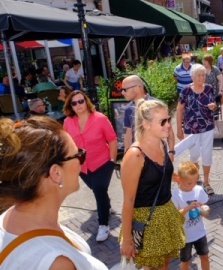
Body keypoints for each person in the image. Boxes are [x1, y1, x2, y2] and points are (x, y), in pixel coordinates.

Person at [0, 116, 108, 269]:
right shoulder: (57, 263)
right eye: (78, 155)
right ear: (56, 173)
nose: (81, 161)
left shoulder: (11, 219)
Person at [120, 99, 185, 269]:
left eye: (168, 119)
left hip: (165, 214)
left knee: (164, 265)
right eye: (162, 121)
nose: (168, 125)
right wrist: (127, 240)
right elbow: (128, 200)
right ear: (146, 125)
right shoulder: (135, 155)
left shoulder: (162, 144)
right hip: (147, 221)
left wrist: (177, 177)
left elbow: (156, 175)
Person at [63, 91, 118, 242]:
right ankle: (107, 206)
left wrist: (112, 161)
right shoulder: (68, 122)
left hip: (103, 162)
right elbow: (67, 143)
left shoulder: (100, 119)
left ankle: (103, 225)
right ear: (70, 106)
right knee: (97, 189)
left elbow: (112, 140)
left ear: (86, 101)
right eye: (74, 103)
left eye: (81, 101)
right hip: (82, 166)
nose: (78, 105)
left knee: (99, 190)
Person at [176, 64, 218, 196]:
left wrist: (214, 106)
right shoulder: (186, 91)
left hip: (207, 127)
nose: (202, 77)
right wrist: (179, 128)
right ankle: (195, 177)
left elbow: (214, 104)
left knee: (207, 153)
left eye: (204, 75)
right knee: (194, 155)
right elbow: (179, 110)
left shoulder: (209, 89)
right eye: (199, 75)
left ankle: (206, 182)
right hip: (191, 128)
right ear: (193, 76)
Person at [121, 75, 175, 155]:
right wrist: (127, 153)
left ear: (137, 88)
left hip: (157, 153)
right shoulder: (128, 109)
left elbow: (169, 129)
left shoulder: (156, 105)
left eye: (125, 89)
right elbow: (129, 134)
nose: (122, 93)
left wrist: (171, 152)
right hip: (138, 155)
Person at [172, 161, 210, 270]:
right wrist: (188, 208)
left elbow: (204, 205)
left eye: (195, 181)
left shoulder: (198, 190)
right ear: (179, 180)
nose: (193, 185)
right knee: (185, 262)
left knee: (205, 257)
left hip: (200, 233)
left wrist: (205, 209)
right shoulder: (175, 195)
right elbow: (175, 216)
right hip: (185, 237)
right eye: (189, 183)